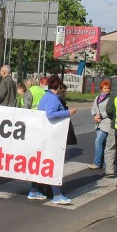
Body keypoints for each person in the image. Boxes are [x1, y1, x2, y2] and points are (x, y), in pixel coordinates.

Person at [28, 75, 75, 205]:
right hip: (51, 136)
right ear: (59, 86)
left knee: (42, 164)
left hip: (43, 134)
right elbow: (51, 114)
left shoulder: (46, 96)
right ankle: (57, 194)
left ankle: (34, 190)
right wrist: (68, 113)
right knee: (52, 164)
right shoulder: (53, 99)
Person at [89, 80, 113, 174]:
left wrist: (101, 116)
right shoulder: (97, 97)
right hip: (98, 123)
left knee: (98, 141)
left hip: (106, 123)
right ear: (101, 89)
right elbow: (93, 108)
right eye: (105, 88)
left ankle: (97, 163)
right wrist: (95, 115)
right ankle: (103, 163)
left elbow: (109, 110)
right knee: (102, 143)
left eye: (108, 88)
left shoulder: (110, 98)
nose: (107, 90)